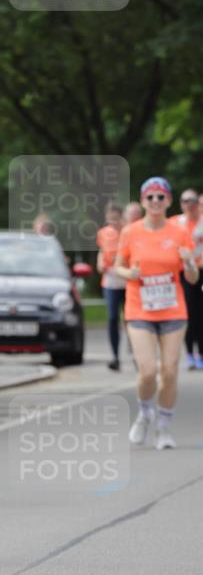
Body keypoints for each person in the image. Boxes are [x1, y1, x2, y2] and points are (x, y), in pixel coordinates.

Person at [114, 177, 198, 450]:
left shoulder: (178, 232)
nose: (155, 202)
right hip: (140, 308)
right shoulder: (131, 232)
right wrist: (130, 273)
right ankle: (144, 412)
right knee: (148, 371)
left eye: (161, 197)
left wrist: (188, 262)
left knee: (170, 372)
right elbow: (118, 266)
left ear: (169, 201)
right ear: (142, 201)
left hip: (173, 309)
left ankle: (163, 427)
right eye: (150, 197)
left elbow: (193, 278)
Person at [96, 203, 126, 371]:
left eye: (115, 219)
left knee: (130, 319)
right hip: (110, 282)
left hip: (127, 281)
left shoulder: (128, 232)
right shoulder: (103, 233)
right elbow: (102, 251)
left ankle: (137, 354)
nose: (112, 223)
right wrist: (100, 262)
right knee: (113, 318)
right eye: (110, 219)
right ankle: (115, 356)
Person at [176, 188, 203, 370]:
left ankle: (200, 353)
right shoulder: (175, 222)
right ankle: (189, 354)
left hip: (201, 271)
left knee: (200, 314)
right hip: (183, 273)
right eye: (185, 201)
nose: (189, 204)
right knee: (188, 314)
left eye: (192, 201)